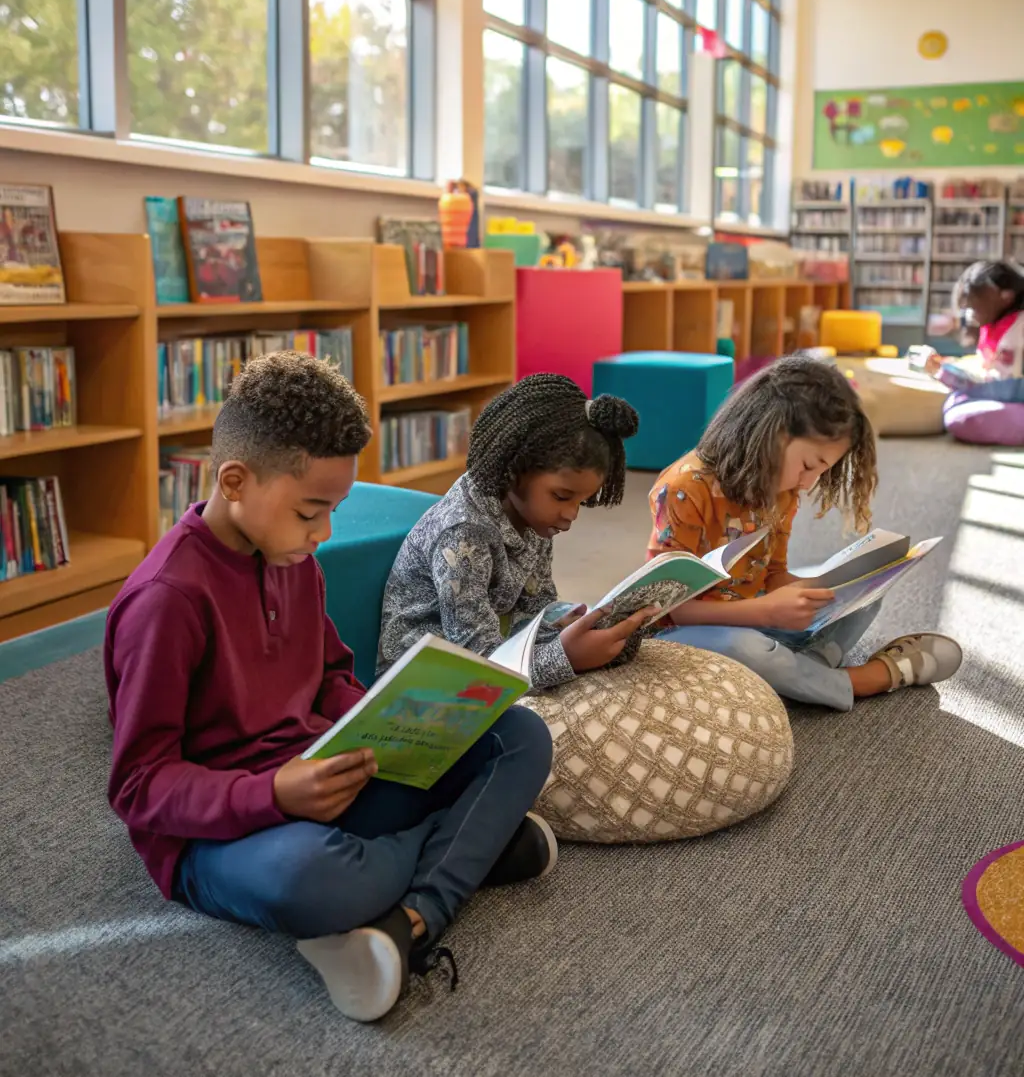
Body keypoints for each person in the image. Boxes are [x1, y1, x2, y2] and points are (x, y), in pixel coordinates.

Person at [105, 351, 555, 1023]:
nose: (325, 533)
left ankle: (410, 920)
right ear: (235, 480)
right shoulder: (167, 600)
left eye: (335, 509)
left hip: (328, 776)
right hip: (224, 834)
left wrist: (390, 719)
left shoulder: (293, 559)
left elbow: (332, 680)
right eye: (312, 510)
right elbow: (139, 786)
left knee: (519, 736)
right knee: (315, 880)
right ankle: (465, 850)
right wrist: (273, 791)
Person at [647, 355, 962, 712]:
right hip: (684, 636)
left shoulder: (782, 488)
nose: (809, 482)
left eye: (822, 470)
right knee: (747, 650)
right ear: (770, 434)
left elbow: (774, 573)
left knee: (865, 596)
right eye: (809, 465)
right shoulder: (684, 488)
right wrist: (766, 612)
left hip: (756, 620)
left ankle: (801, 672)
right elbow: (671, 608)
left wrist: (827, 592)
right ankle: (860, 680)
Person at [379, 373, 657, 690]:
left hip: (495, 653)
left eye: (582, 501)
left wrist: (580, 624)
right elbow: (481, 665)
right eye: (562, 496)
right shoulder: (462, 534)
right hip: (424, 686)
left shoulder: (535, 520)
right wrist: (566, 657)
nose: (571, 515)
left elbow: (535, 607)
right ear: (514, 470)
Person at [922, 260, 1024, 445]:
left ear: (1006, 298)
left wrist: (943, 372)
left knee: (959, 417)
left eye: (975, 306)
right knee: (955, 402)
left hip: (1013, 393)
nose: (969, 314)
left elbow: (1007, 388)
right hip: (1012, 392)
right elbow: (989, 366)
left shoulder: (1018, 328)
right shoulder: (998, 324)